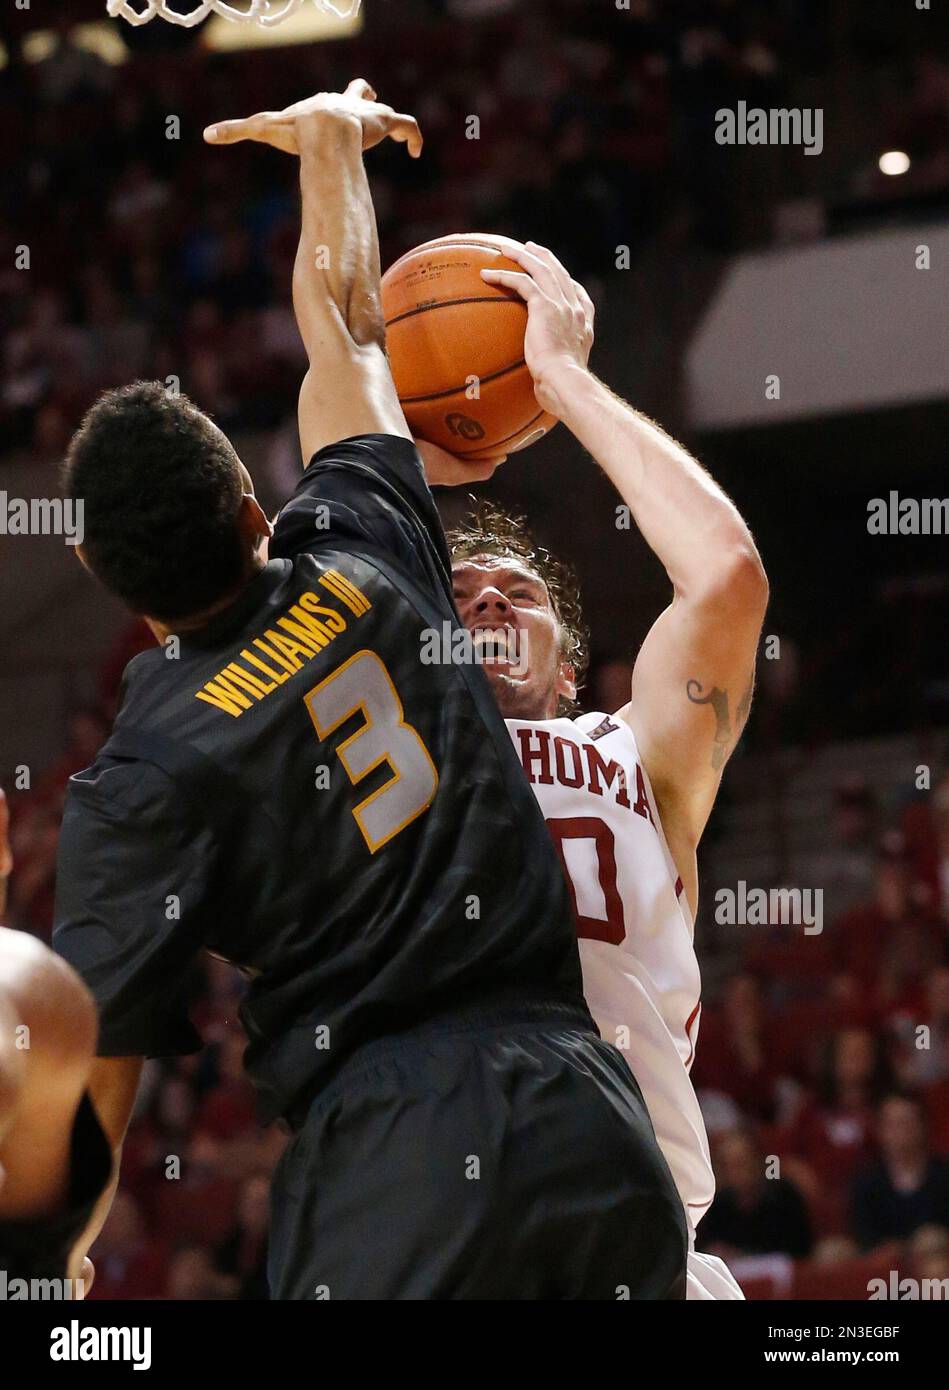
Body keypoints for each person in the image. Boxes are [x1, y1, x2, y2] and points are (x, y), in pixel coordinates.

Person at [50, 83, 686, 1299]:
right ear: (253, 505)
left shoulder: (140, 773)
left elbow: (99, 1057)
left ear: (103, 575)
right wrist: (331, 142)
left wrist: (60, 1248)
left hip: (390, 1144)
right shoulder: (363, 541)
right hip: (588, 1114)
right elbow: (345, 326)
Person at [448, 239, 769, 1297]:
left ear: (574, 666)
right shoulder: (384, 760)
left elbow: (723, 579)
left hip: (636, 1241)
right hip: (446, 1232)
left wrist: (560, 382)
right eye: (459, 596)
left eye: (519, 593)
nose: (490, 600)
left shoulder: (637, 753)